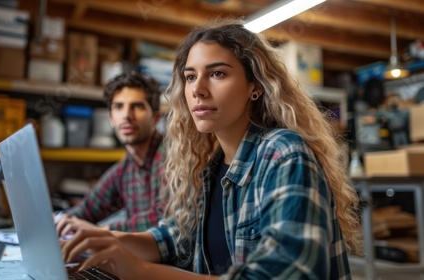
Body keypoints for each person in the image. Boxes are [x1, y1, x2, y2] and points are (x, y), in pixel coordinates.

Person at [59, 18, 363, 279]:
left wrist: (139, 270)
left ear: (255, 86)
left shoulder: (283, 153)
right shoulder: (210, 166)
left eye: (217, 74)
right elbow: (172, 238)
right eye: (190, 77)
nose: (197, 89)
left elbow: (281, 274)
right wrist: (103, 239)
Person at [55, 71, 166, 233]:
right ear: (111, 119)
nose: (126, 116)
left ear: (156, 118)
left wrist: (103, 231)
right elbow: (86, 211)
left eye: (137, 106)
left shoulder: (172, 156)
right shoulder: (125, 169)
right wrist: (60, 221)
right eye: (118, 106)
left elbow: (167, 218)